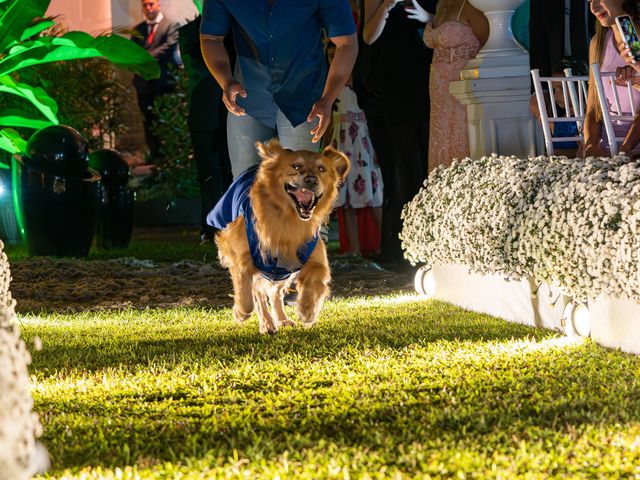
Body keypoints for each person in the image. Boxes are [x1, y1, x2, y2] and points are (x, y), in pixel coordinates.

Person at [199, 0, 358, 179]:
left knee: (299, 190)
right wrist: (226, 81)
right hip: (248, 100)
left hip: (304, 102)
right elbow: (210, 38)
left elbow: (346, 43)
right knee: (246, 190)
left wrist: (328, 98)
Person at [362, 0, 434, 268]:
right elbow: (368, 37)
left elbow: (448, 21)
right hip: (388, 92)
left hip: (424, 83)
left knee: (421, 167)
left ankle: (425, 246)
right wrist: (386, 6)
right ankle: (398, 250)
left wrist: (429, 17)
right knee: (396, 172)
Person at [410, 0, 488, 173]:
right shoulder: (440, 4)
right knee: (441, 136)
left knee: (460, 135)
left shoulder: (470, 5)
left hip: (462, 84)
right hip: (438, 87)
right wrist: (428, 17)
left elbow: (488, 41)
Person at [178, 15, 233, 244]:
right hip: (208, 111)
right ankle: (212, 227)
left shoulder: (191, 32)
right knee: (212, 173)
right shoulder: (191, 33)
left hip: (221, 111)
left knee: (221, 172)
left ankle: (218, 227)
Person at [326, 44, 383, 258]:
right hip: (340, 140)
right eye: (330, 55)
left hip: (360, 138)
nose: (334, 58)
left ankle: (385, 243)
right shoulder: (330, 81)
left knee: (371, 190)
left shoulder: (358, 78)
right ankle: (354, 248)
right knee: (345, 195)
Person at [584, 0, 640, 157]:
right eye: (589, 1)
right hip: (606, 148)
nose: (594, 7)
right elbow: (593, 108)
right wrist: (591, 145)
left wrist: (626, 148)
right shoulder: (598, 43)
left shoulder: (633, 36)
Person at [131, 0, 181, 162]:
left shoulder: (171, 25)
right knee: (148, 121)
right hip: (143, 85)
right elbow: (132, 51)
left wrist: (145, 58)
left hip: (164, 84)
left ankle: (169, 158)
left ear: (158, 4)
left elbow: (169, 46)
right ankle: (154, 156)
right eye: (145, 5)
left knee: (164, 120)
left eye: (151, 4)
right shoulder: (138, 30)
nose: (148, 8)